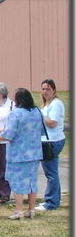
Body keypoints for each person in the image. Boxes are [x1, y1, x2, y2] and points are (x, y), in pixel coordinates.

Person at [0, 88, 42, 219]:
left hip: (18, 154)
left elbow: (9, 134)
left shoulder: (16, 113)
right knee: (32, 182)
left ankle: (19, 211)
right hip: (34, 152)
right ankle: (31, 210)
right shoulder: (36, 112)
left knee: (18, 183)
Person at [35, 79, 65, 211]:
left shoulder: (56, 104)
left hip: (52, 140)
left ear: (54, 90)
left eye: (48, 89)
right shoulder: (46, 105)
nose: (45, 92)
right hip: (45, 140)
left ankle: (51, 202)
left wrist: (40, 117)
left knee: (51, 173)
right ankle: (53, 199)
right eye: (43, 89)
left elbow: (52, 122)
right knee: (51, 172)